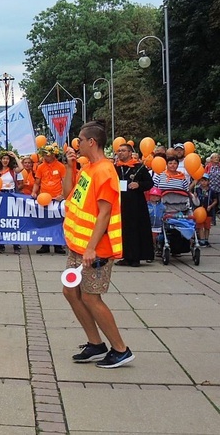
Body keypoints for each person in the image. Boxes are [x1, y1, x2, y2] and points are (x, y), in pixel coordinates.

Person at [62, 121, 134, 368]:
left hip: (95, 249)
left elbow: (105, 213)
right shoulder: (89, 168)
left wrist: (92, 248)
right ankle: (95, 344)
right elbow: (68, 194)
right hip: (78, 245)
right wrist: (69, 165)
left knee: (92, 297)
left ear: (91, 142)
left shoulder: (104, 170)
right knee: (71, 291)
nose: (77, 144)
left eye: (80, 140)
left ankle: (120, 349)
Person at [114, 144, 154, 267]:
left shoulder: (139, 167)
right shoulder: (115, 167)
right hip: (120, 203)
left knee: (135, 229)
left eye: (123, 151)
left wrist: (139, 185)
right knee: (123, 230)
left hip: (136, 204)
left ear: (130, 153)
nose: (120, 153)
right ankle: (125, 256)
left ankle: (136, 257)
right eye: (119, 151)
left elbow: (149, 183)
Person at [32, 145, 67, 254]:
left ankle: (58, 246)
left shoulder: (61, 166)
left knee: (58, 222)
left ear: (53, 154)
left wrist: (62, 195)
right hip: (44, 199)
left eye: (47, 154)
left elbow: (65, 182)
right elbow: (37, 182)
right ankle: (45, 245)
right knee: (45, 221)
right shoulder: (41, 167)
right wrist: (34, 192)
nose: (45, 157)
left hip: (57, 199)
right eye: (44, 154)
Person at [0, 151, 23, 254]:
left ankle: (16, 244)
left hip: (11, 195)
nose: (5, 160)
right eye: (3, 158)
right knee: (1, 220)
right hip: (0, 196)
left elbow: (21, 168)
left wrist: (15, 156)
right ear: (0, 160)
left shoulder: (13, 171)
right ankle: (1, 244)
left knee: (13, 220)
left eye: (7, 159)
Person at [193, 174, 217, 247]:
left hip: (208, 211)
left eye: (205, 181)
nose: (203, 182)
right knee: (200, 226)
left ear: (208, 181)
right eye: (202, 181)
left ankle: (206, 240)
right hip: (199, 211)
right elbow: (193, 199)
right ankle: (202, 240)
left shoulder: (211, 191)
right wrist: (195, 196)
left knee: (207, 226)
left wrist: (211, 206)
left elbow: (215, 200)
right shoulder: (197, 189)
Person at [147, 187, 165, 254]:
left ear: (159, 197)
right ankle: (152, 249)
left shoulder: (162, 206)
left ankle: (159, 247)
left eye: (156, 196)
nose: (154, 197)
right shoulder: (147, 205)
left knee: (161, 237)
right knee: (150, 238)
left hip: (159, 226)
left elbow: (165, 213)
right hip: (150, 226)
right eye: (152, 195)